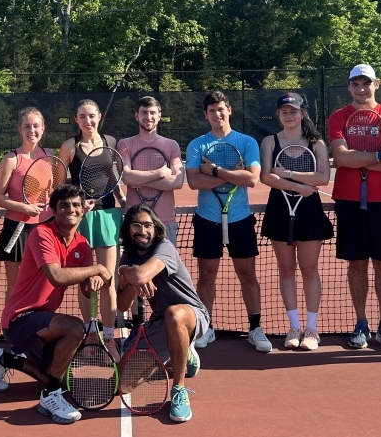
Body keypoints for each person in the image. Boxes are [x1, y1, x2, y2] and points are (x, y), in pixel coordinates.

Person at [0, 184, 113, 424]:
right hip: (19, 319)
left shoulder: (83, 245)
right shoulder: (41, 234)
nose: (70, 210)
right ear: (54, 210)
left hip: (45, 323)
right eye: (63, 206)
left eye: (75, 205)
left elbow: (85, 290)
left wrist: (93, 281)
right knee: (75, 328)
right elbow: (56, 276)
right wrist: (96, 268)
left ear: (83, 210)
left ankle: (3, 359)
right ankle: (50, 396)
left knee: (60, 379)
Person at [327, 64, 381, 352]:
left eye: (366, 83)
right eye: (355, 84)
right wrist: (380, 156)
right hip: (348, 200)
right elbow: (341, 158)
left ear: (376, 84)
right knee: (357, 263)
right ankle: (361, 323)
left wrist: (358, 158)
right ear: (349, 86)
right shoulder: (338, 117)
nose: (361, 89)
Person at [186, 90, 272, 353]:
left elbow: (252, 178)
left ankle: (255, 328)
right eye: (212, 111)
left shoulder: (247, 142)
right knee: (206, 276)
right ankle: (206, 327)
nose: (217, 114)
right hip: (207, 219)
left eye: (221, 109)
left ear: (229, 110)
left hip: (240, 219)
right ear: (206, 115)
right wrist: (233, 173)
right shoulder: (197, 145)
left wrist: (214, 170)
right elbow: (194, 181)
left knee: (248, 275)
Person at [116, 204, 210, 422]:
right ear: (128, 229)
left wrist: (127, 272)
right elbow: (121, 305)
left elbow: (140, 276)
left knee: (174, 315)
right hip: (160, 321)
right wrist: (129, 277)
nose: (142, 231)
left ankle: (179, 389)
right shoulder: (128, 257)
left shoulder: (164, 247)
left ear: (155, 228)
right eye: (136, 225)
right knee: (122, 384)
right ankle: (182, 350)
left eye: (147, 225)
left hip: (192, 315)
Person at [259, 93, 333, 351]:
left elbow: (322, 178)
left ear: (303, 113)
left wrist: (288, 174)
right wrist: (298, 185)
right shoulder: (270, 141)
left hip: (309, 210)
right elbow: (267, 177)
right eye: (284, 111)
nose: (289, 115)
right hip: (280, 208)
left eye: (293, 111)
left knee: (309, 269)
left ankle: (311, 329)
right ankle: (294, 327)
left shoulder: (317, 143)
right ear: (279, 115)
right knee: (286, 269)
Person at [59, 99, 124, 359]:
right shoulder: (69, 147)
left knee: (108, 280)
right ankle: (89, 335)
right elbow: (60, 186)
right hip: (80, 219)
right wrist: (77, 203)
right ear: (76, 119)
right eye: (83, 117)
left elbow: (112, 176)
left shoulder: (110, 142)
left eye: (92, 116)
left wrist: (123, 201)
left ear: (99, 117)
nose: (88, 121)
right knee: (85, 280)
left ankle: (109, 338)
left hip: (108, 216)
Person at [0, 107, 56, 302]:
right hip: (17, 229)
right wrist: (24, 208)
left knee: (43, 282)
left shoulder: (49, 155)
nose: (32, 130)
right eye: (27, 126)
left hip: (46, 227)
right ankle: (12, 320)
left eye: (36, 126)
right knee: (16, 285)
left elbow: (52, 191)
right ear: (19, 129)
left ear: (43, 128)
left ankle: (38, 319)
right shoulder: (11, 159)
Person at [116, 96, 184, 245]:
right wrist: (160, 173)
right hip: (135, 223)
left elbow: (178, 181)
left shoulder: (172, 145)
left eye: (152, 113)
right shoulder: (124, 144)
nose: (148, 117)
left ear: (159, 116)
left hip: (165, 222)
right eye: (144, 112)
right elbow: (126, 177)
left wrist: (138, 181)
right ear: (136, 115)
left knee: (166, 261)